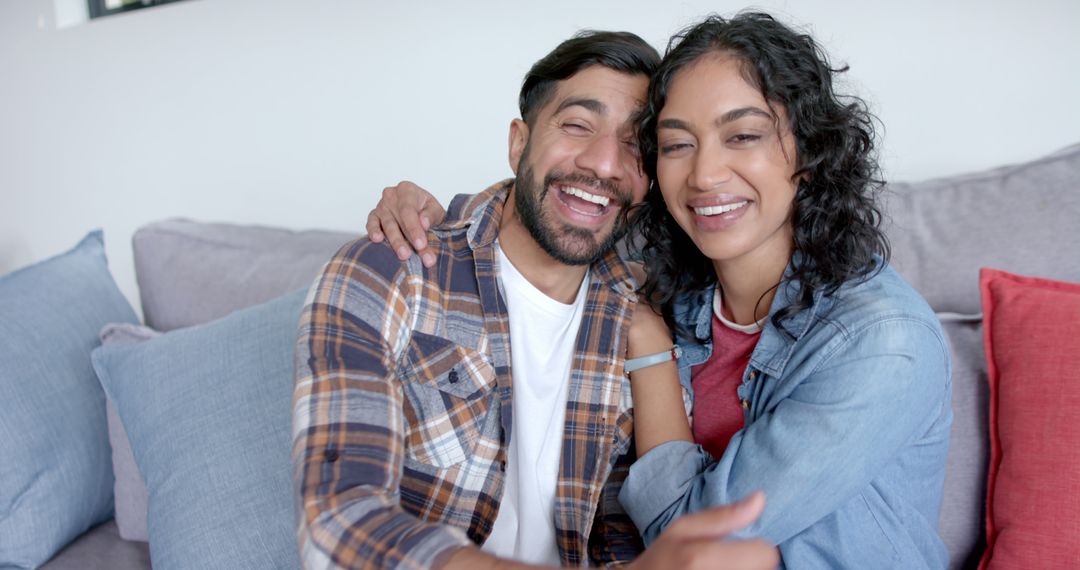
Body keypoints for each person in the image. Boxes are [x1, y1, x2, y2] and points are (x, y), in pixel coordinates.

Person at [367, 12, 953, 569]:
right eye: (676, 145)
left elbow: (690, 539)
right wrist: (432, 214)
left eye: (744, 135)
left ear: (810, 150)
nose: (704, 175)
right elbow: (565, 201)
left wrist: (649, 350)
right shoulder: (672, 283)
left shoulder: (884, 343)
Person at [294, 30, 778, 569]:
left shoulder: (643, 311)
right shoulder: (391, 273)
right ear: (519, 143)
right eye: (577, 125)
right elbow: (341, 524)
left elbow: (623, 538)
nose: (604, 164)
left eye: (636, 145)